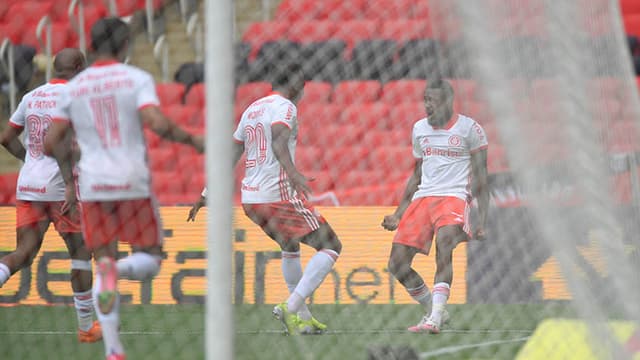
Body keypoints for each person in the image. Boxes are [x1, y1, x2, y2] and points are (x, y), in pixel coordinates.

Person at [44, 18, 204, 360]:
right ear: (126, 45)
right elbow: (156, 122)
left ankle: (113, 350)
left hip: (93, 185)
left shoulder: (73, 89)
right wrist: (192, 140)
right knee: (151, 259)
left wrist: (77, 154)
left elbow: (51, 141)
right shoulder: (135, 78)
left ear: (91, 47)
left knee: (103, 261)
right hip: (131, 182)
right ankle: (120, 270)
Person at [187, 62, 342, 336]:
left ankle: (302, 320)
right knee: (331, 246)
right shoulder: (285, 107)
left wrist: (206, 193)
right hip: (276, 195)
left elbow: (232, 154)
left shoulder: (252, 109)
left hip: (251, 199)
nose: (304, 89)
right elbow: (278, 140)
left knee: (290, 245)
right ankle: (291, 306)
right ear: (294, 83)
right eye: (302, 82)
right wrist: (294, 174)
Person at [0, 48, 102, 343]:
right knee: (81, 253)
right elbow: (63, 145)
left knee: (24, 252)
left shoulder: (31, 97)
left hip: (30, 186)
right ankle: (86, 327)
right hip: (62, 189)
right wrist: (70, 183)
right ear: (80, 67)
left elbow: (6, 138)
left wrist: (28, 161)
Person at [382, 79, 489, 334]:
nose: (428, 105)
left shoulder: (470, 129)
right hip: (423, 199)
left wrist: (482, 220)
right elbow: (417, 174)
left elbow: (483, 177)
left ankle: (435, 319)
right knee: (397, 264)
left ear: (449, 102)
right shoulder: (419, 129)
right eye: (426, 100)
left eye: (434, 101)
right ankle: (433, 309)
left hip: (454, 197)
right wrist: (398, 213)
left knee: (444, 247)